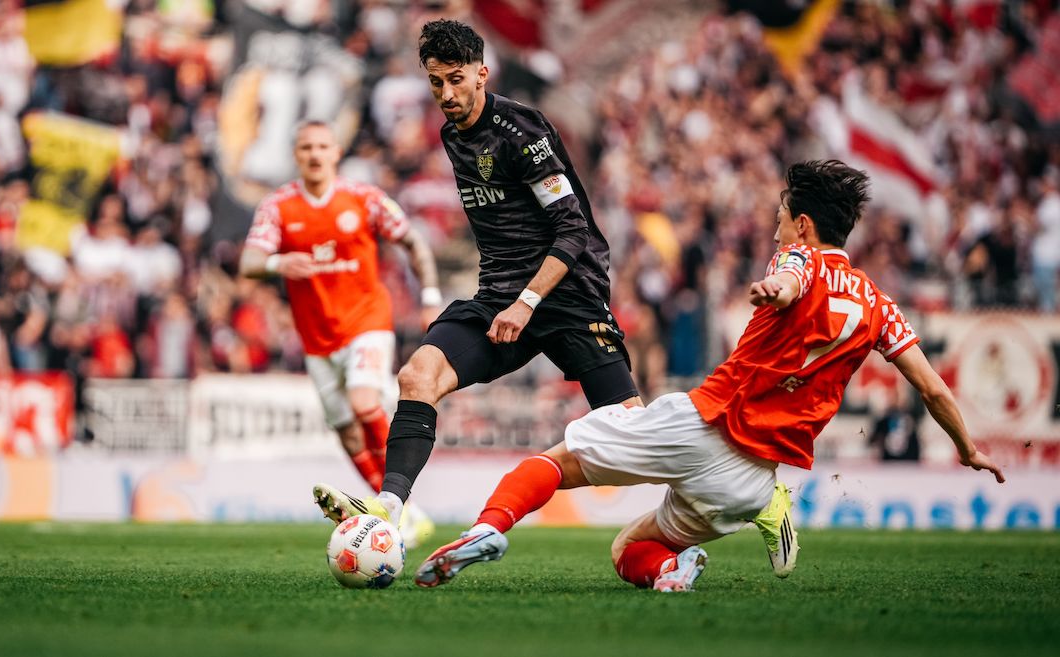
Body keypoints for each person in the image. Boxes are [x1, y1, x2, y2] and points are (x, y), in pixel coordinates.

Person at [411, 160, 1006, 592]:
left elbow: (793, 277)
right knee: (630, 550)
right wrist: (967, 449)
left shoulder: (796, 258)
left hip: (707, 425)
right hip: (748, 481)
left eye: (780, 219)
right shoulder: (878, 303)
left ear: (802, 224)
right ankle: (680, 567)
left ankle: (487, 530)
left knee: (551, 463)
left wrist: (776, 289)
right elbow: (932, 387)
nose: (776, 228)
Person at [312, 19, 643, 531]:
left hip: (566, 296)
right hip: (498, 298)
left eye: (456, 79)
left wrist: (527, 302)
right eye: (436, 82)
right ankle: (389, 510)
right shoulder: (452, 135)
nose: (447, 94)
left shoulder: (523, 131)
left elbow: (573, 229)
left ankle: (752, 495)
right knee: (418, 375)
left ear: (482, 74)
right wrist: (509, 298)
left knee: (634, 433)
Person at [239, 120, 442, 546]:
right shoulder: (278, 206)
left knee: (363, 401)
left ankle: (395, 502)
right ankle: (404, 515)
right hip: (317, 338)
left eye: (322, 146)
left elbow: (413, 242)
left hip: (367, 321)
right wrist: (278, 263)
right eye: (306, 147)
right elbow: (249, 261)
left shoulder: (365, 199)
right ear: (296, 155)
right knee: (347, 431)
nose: (314, 154)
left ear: (336, 152)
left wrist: (429, 295)